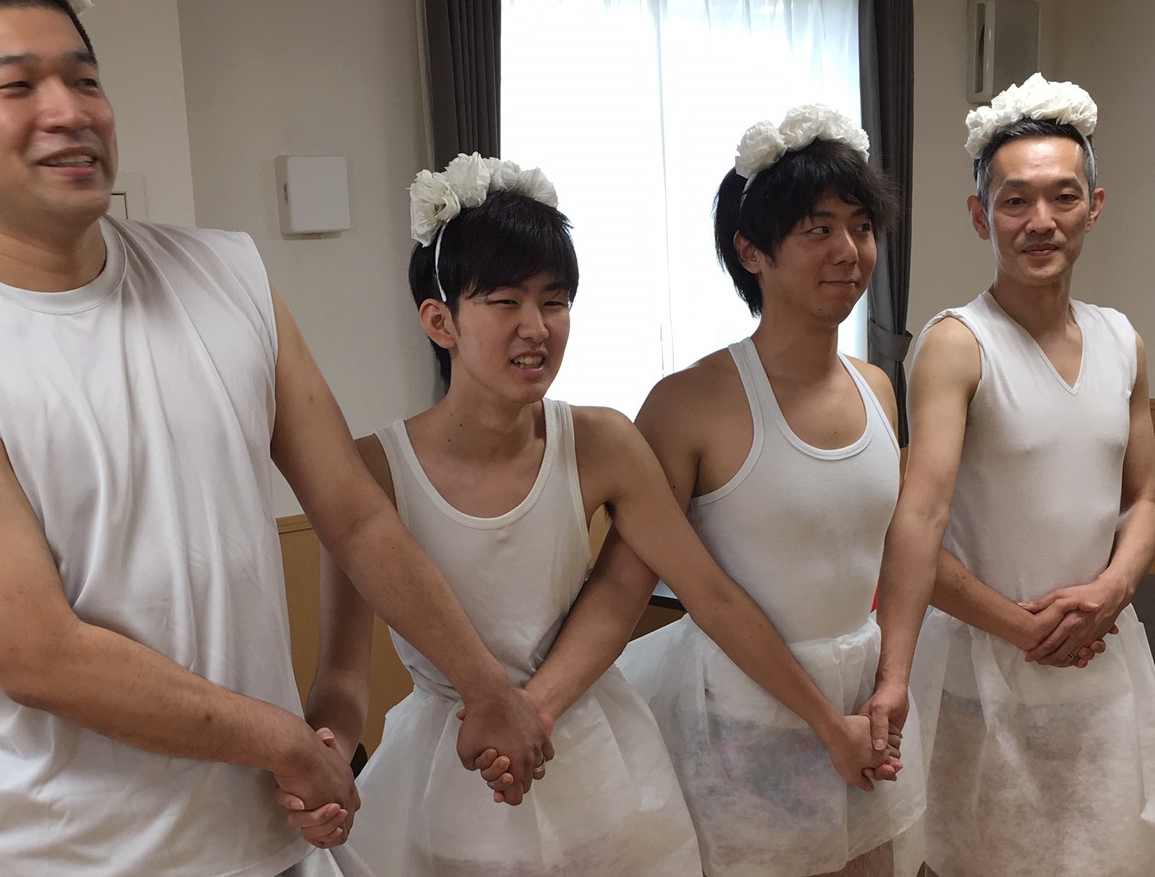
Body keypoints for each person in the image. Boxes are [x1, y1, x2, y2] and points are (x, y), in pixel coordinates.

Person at [0, 0, 550, 877]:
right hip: (54, 852)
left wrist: (481, 686)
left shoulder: (226, 274)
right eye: (17, 85)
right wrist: (283, 737)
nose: (69, 110)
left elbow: (354, 514)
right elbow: (40, 653)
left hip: (262, 837)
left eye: (85, 79)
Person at [307, 151, 898, 877]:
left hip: (590, 755)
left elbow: (703, 592)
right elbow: (340, 677)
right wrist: (326, 751)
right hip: (447, 764)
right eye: (504, 302)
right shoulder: (369, 470)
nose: (535, 326)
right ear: (440, 321)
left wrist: (534, 711)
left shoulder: (602, 441)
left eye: (554, 302)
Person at [614, 106, 925, 877]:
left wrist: (890, 680)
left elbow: (896, 549)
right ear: (750, 250)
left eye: (860, 227)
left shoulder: (878, 387)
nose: (848, 250)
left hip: (866, 705)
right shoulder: (687, 403)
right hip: (742, 723)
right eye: (818, 229)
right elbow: (643, 582)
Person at [873, 73, 1155, 876]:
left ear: (1093, 206)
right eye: (1013, 201)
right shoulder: (957, 343)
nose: (1040, 221)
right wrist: (1020, 627)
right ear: (979, 215)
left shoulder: (1122, 340)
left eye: (1062, 197)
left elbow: (1144, 495)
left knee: (1108, 857)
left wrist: (1110, 591)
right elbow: (916, 522)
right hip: (982, 668)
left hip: (1102, 661)